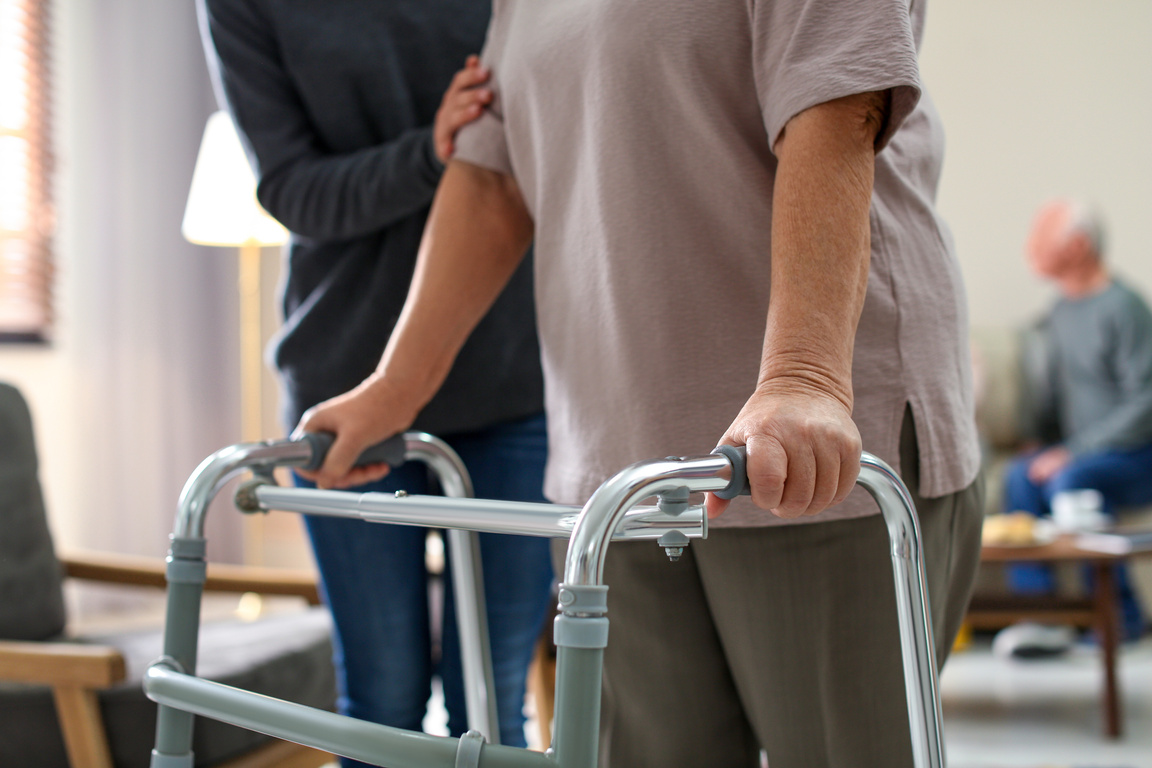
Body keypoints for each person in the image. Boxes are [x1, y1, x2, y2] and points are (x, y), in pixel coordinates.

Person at [298, 1, 985, 765]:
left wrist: (806, 373)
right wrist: (395, 387)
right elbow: (493, 178)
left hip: (803, 453)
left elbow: (835, 104)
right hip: (617, 471)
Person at [196, 0, 555, 756]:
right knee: (380, 699)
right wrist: (431, 149)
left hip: (514, 382)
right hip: (346, 386)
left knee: (487, 703)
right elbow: (292, 190)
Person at [996, 199, 1152, 656]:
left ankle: (1120, 618)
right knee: (1019, 475)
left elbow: (1146, 400)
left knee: (1073, 480)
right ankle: (1043, 617)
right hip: (1084, 450)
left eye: (1041, 239)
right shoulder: (1060, 313)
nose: (1030, 248)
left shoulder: (1124, 309)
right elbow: (1057, 396)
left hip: (1136, 453)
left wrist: (1075, 451)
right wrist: (1042, 444)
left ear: (1078, 246)